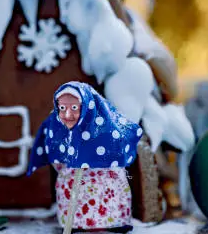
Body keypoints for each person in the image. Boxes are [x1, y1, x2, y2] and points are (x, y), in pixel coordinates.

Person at [28, 81, 142, 233]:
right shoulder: (56, 126)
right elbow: (54, 152)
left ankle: (114, 222)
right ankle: (75, 224)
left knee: (107, 198)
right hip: (72, 186)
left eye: (74, 107)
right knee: (74, 204)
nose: (67, 114)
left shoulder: (104, 126)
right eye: (62, 108)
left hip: (105, 186)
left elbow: (119, 146)